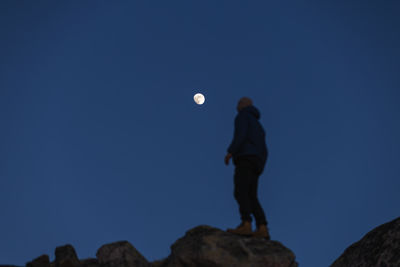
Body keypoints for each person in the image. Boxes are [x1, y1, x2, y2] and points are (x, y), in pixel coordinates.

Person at [225, 97, 270, 239]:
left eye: (238, 103)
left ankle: (246, 224)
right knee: (252, 194)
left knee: (240, 191)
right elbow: (264, 148)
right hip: (256, 161)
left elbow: (241, 135)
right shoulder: (258, 125)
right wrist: (260, 164)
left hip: (245, 157)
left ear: (243, 105)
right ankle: (262, 227)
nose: (237, 106)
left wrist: (231, 151)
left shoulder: (242, 116)